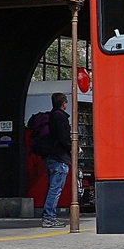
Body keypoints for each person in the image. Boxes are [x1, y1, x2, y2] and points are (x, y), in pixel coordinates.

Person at [41, 92, 71, 228]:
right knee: (55, 189)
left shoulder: (50, 116)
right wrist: (73, 148)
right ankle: (49, 217)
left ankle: (48, 216)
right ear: (63, 103)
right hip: (59, 157)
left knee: (51, 188)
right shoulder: (60, 117)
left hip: (49, 157)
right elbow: (64, 138)